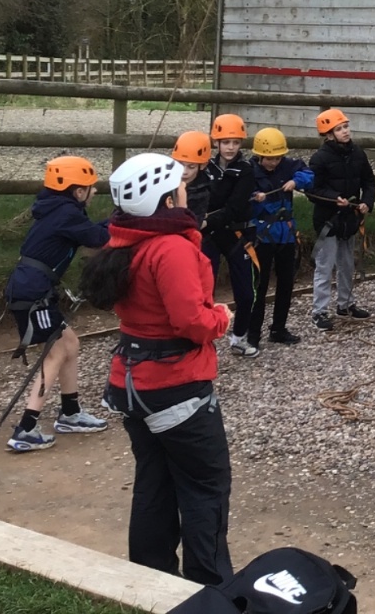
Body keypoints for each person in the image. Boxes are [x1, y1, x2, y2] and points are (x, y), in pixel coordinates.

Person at [92, 152, 234, 584]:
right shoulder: (170, 247)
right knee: (205, 486)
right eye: (181, 186)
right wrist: (221, 318)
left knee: (154, 484)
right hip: (176, 385)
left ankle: (149, 583)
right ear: (168, 199)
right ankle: (210, 591)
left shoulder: (122, 240)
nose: (186, 191)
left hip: (131, 381)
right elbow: (191, 322)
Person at [2, 155, 112, 451]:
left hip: (32, 289)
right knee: (56, 353)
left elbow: (93, 231)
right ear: (78, 191)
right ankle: (26, 428)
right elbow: (99, 238)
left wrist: (117, 218)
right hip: (33, 293)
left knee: (70, 345)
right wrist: (125, 217)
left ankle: (71, 413)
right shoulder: (67, 215)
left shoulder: (59, 209)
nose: (95, 191)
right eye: (91, 187)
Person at [308, 108, 375, 330]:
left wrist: (367, 202)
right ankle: (319, 312)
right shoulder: (319, 159)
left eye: (346, 127)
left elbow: (368, 181)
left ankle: (345, 304)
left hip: (350, 218)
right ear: (328, 135)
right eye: (339, 129)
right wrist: (333, 198)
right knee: (325, 266)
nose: (345, 131)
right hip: (328, 219)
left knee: (346, 264)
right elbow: (312, 190)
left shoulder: (358, 154)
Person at [244, 128, 312, 349]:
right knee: (260, 286)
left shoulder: (289, 166)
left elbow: (309, 174)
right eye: (269, 159)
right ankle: (253, 334)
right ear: (259, 155)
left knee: (286, 283)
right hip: (262, 237)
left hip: (286, 235)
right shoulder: (250, 172)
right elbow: (241, 196)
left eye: (277, 158)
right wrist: (254, 197)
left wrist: (296, 181)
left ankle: (279, 329)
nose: (273, 162)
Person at [204, 114, 258, 358]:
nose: (230, 147)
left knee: (245, 292)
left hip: (236, 234)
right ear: (216, 142)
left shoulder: (245, 171)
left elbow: (235, 206)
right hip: (210, 235)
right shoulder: (206, 168)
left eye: (235, 142)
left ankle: (239, 338)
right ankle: (203, 338)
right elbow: (203, 198)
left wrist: (207, 219)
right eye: (225, 142)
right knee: (203, 290)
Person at [173, 132, 213, 221]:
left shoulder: (202, 192)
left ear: (203, 165)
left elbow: (195, 222)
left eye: (191, 167)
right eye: (180, 165)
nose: (184, 172)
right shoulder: (165, 181)